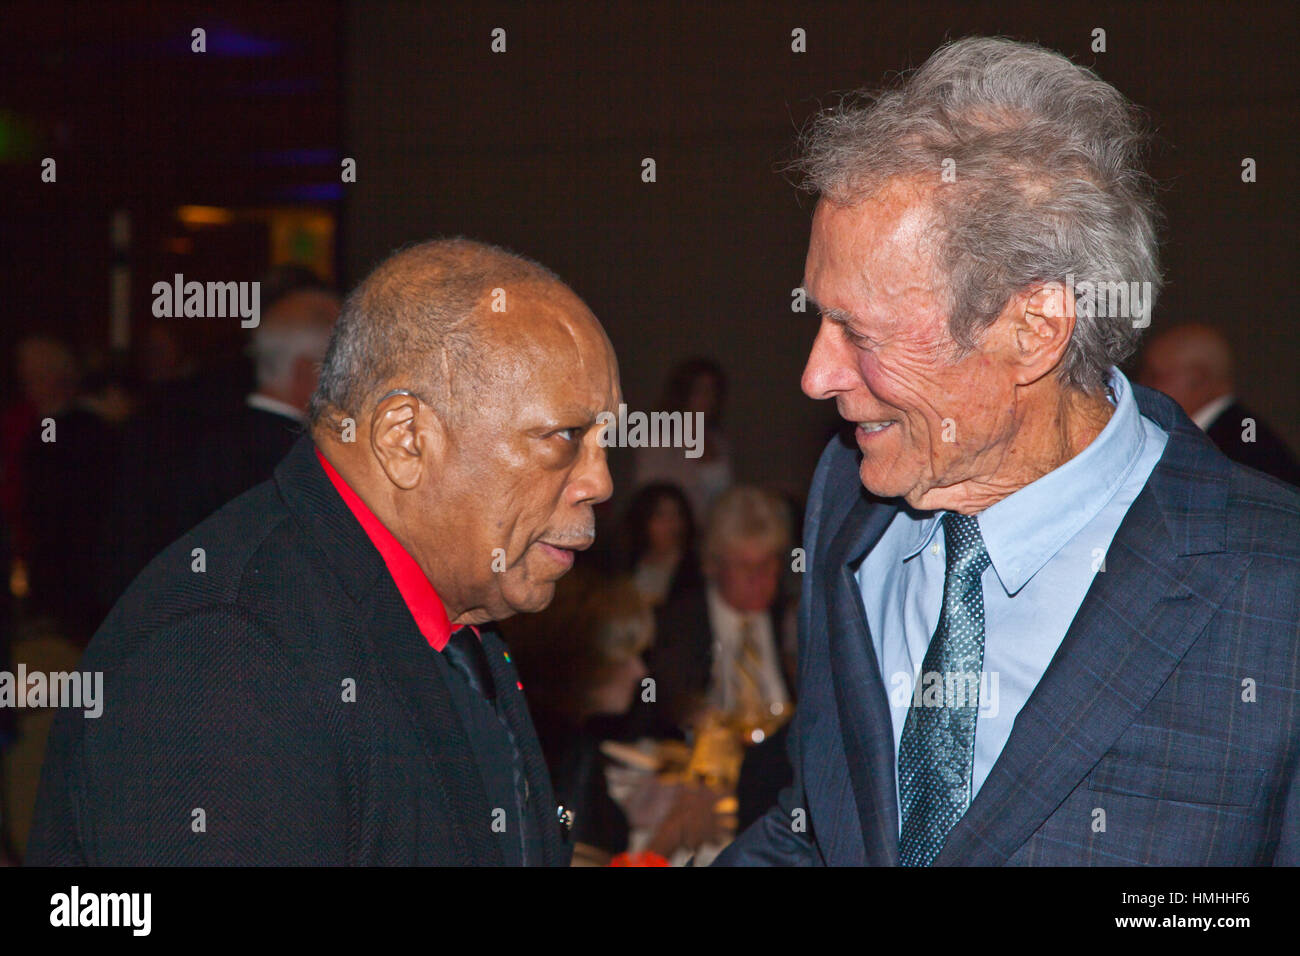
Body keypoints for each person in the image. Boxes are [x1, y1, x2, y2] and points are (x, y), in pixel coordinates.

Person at [717, 37, 1300, 867]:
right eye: (818, 318)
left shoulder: (1274, 594)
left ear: (1034, 330)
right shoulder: (851, 497)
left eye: (859, 331)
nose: (816, 375)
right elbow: (820, 827)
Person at [27, 238, 621, 865]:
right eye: (564, 436)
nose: (600, 483)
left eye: (604, 440)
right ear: (405, 440)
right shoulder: (227, 651)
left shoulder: (451, 614)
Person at [643, 485, 795, 739]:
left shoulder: (793, 619)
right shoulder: (678, 623)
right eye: (746, 566)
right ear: (712, 564)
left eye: (768, 563)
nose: (758, 579)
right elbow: (664, 711)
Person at [1139, 323, 1300, 485]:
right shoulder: (1244, 436)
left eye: (1155, 376)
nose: (1142, 385)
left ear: (1196, 378)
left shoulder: (1232, 452)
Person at [634, 358, 733, 522]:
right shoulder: (659, 441)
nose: (709, 398)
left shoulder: (719, 441)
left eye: (713, 391)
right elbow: (648, 500)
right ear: (683, 395)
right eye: (700, 391)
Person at [620, 482, 702, 608]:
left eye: (677, 515)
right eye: (661, 515)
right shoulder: (624, 562)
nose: (671, 524)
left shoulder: (695, 569)